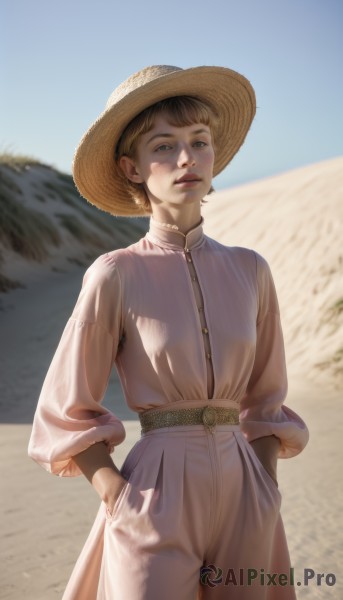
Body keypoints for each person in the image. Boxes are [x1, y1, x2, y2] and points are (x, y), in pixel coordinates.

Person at [28, 65, 309, 600]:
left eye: (198, 142)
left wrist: (265, 484)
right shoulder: (116, 273)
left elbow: (267, 398)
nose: (187, 158)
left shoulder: (252, 270)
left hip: (245, 486)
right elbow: (67, 405)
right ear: (132, 168)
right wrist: (115, 493)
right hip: (155, 489)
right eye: (164, 146)